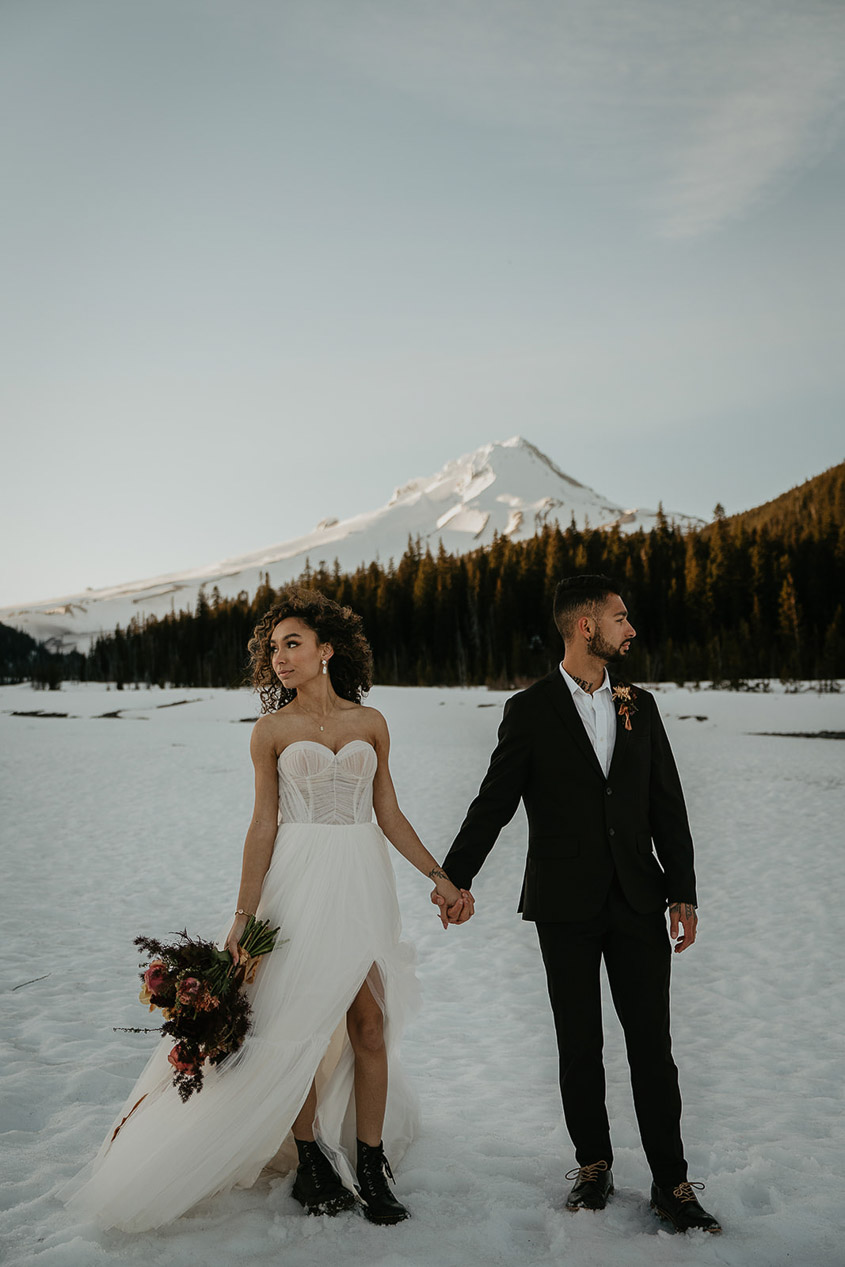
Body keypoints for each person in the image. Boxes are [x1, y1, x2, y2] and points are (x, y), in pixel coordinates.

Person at [63, 588, 471, 1232]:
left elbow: (388, 813)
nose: (279, 658)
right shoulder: (271, 731)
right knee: (296, 1026)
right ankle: (310, 1158)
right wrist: (242, 918)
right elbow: (263, 824)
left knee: (370, 1024)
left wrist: (441, 879)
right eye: (272, 649)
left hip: (362, 880)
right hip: (297, 882)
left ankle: (371, 1162)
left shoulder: (371, 723)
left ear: (326, 649)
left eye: (293, 644)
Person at [434, 574, 721, 1235]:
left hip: (638, 898)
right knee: (578, 1042)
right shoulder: (529, 710)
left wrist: (682, 888)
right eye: (620, 618)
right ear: (585, 626)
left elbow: (665, 802)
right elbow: (494, 802)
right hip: (563, 902)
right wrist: (455, 877)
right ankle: (593, 1165)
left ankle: (671, 1183)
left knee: (652, 1044)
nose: (631, 628)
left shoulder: (638, 705)